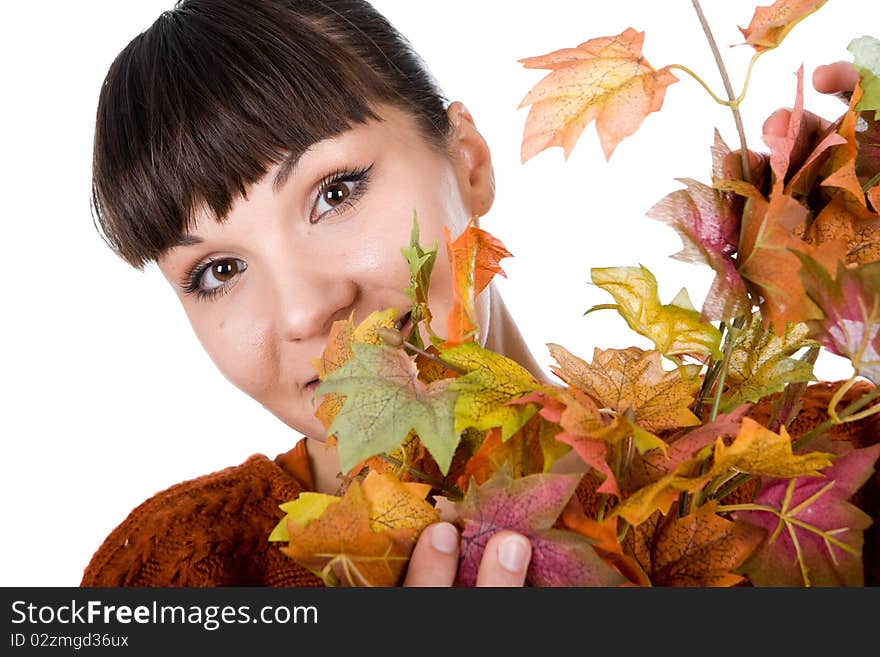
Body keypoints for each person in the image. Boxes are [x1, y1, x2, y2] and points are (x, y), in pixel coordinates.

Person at [80, 0, 874, 587]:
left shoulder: (793, 463)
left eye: (334, 193)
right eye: (218, 271)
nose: (302, 309)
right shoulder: (178, 575)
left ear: (468, 160)